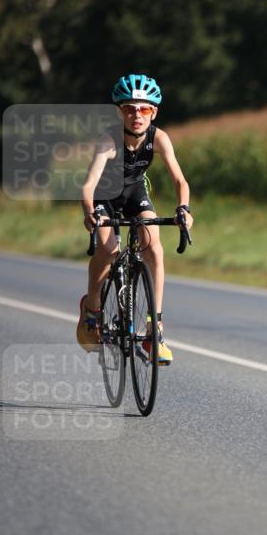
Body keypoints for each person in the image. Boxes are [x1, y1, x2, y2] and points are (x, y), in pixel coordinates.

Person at [76, 74, 194, 364]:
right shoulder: (109, 140)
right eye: (130, 109)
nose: (137, 115)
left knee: (153, 243)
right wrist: (89, 212)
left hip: (134, 192)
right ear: (120, 112)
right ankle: (92, 310)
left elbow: (180, 181)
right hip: (105, 195)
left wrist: (183, 209)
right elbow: (89, 185)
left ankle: (156, 330)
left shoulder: (159, 138)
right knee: (108, 249)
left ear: (153, 112)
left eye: (143, 109)